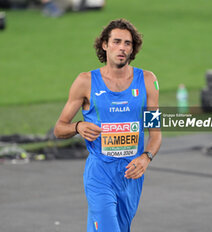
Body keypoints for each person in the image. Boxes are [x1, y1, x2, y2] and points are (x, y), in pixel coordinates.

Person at [54, 18, 162, 232]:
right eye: (116, 42)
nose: (122, 48)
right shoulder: (86, 82)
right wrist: (78, 127)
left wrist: (146, 157)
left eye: (127, 43)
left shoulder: (148, 81)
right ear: (104, 45)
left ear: (133, 49)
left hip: (131, 175)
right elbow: (59, 128)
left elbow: (156, 133)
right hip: (100, 173)